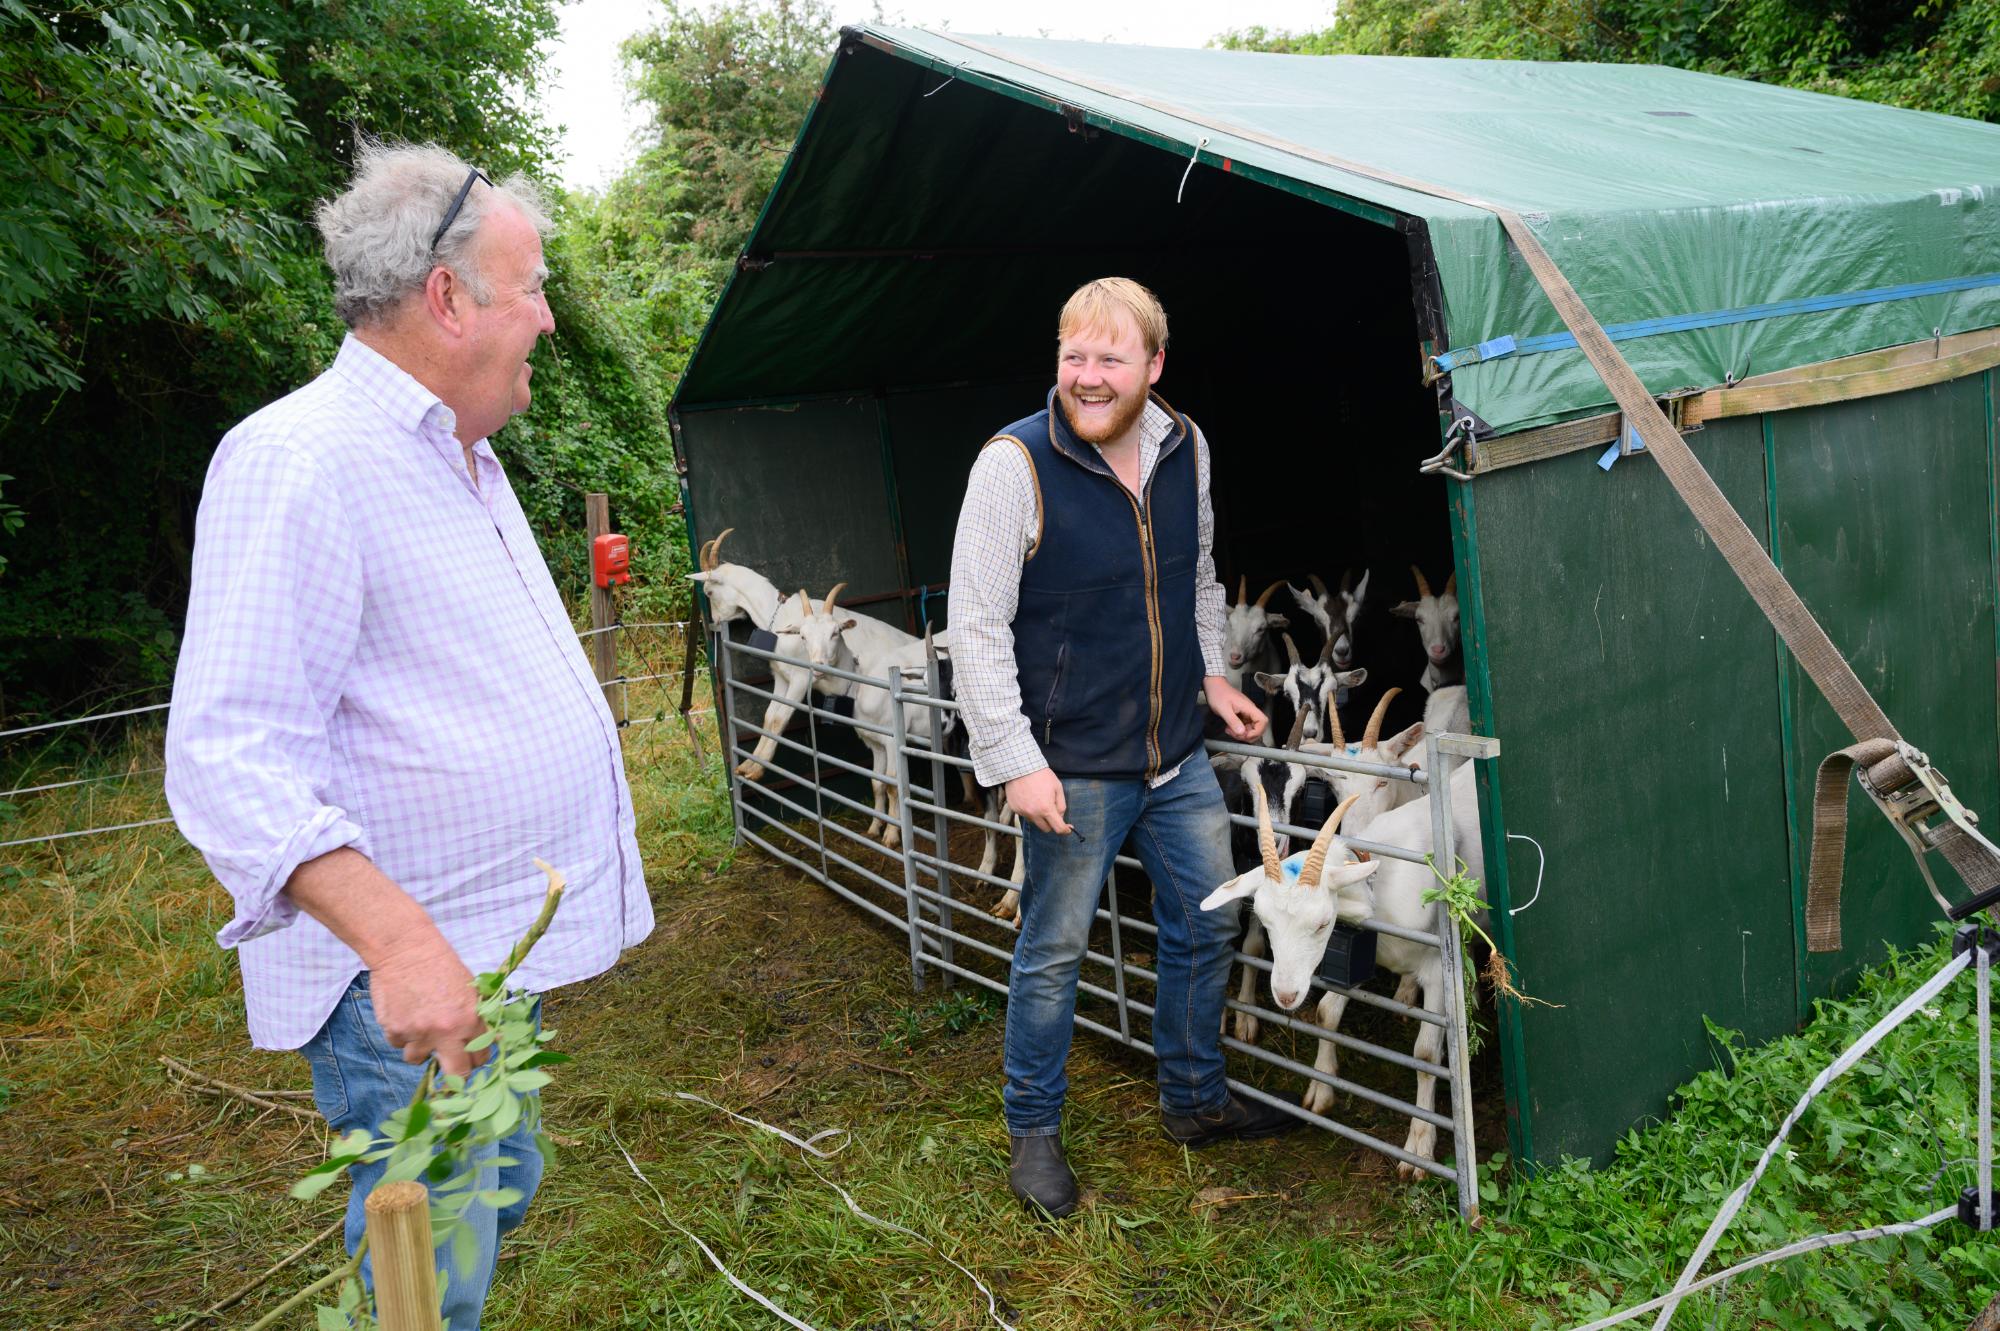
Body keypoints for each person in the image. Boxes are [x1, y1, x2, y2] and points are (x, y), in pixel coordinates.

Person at [165, 141, 652, 1329]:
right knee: (430, 1269)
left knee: (494, 1189)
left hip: (486, 956)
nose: (545, 318)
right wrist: (402, 947)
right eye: (530, 287)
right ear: (448, 297)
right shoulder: (300, 458)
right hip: (411, 984)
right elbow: (230, 752)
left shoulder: (456, 456)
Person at [947, 277, 1298, 1221]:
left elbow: (1195, 574)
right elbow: (974, 625)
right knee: (1054, 948)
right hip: (1073, 765)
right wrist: (1015, 757)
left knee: (1208, 919)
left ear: (1153, 366)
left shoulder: (1188, 449)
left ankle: (1194, 1099)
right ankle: (1034, 1131)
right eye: (1074, 357)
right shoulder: (1012, 466)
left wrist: (1213, 673)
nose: (1088, 378)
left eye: (1110, 359)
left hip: (1176, 755)